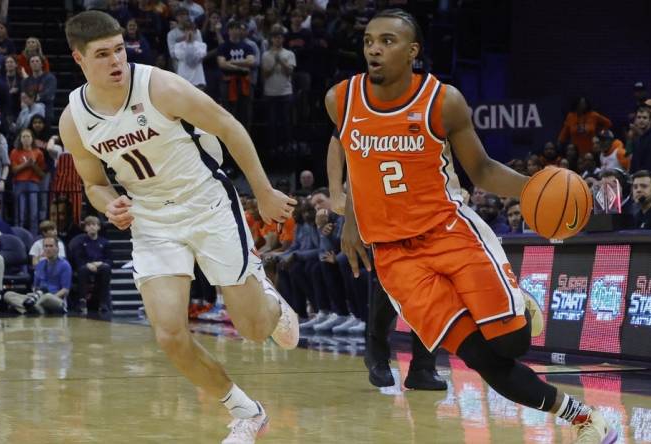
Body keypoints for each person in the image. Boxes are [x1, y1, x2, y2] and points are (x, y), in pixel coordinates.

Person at [325, 10, 615, 443]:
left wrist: (539, 190)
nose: (374, 50)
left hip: (448, 232)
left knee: (512, 345)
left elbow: (480, 170)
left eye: (387, 41)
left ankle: (517, 300)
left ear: (413, 52)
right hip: (395, 257)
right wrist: (347, 211)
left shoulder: (443, 101)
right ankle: (584, 418)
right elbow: (345, 144)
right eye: (369, 41)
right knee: (481, 358)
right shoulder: (341, 99)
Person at [60, 11, 299, 443]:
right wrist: (109, 204)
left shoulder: (160, 86)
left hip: (205, 202)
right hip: (151, 217)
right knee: (169, 334)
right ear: (79, 58)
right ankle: (246, 412)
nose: (117, 60)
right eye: (103, 54)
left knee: (254, 330)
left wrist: (263, 192)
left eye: (120, 49)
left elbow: (229, 125)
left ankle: (273, 304)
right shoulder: (74, 119)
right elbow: (94, 183)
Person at [3, 236, 70, 315]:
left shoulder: (65, 265)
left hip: (54, 298)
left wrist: (49, 297)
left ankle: (29, 308)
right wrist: (34, 295)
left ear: (57, 248)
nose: (48, 249)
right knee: (8, 295)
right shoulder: (40, 264)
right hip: (38, 297)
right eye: (46, 246)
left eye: (51, 246)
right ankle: (36, 309)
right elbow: (35, 287)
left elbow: (65, 290)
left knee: (47, 297)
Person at [69, 216, 112, 313]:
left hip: (100, 265)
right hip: (86, 265)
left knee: (106, 268)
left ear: (99, 227)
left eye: (94, 224)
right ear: (85, 228)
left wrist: (100, 263)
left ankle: (103, 302)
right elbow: (78, 258)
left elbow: (109, 260)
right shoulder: (80, 242)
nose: (91, 227)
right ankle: (82, 300)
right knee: (83, 269)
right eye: (89, 225)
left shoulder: (105, 242)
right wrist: (88, 264)